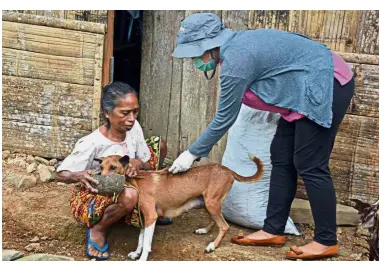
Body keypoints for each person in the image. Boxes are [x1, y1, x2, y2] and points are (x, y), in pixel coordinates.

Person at [169, 13, 355, 260]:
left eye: (194, 53)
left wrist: (191, 154)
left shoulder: (236, 61)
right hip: (302, 86)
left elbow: (225, 117)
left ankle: (326, 240)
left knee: (310, 163)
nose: (194, 60)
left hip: (327, 81)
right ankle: (273, 229)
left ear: (209, 45)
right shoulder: (233, 50)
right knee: (281, 155)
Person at [56, 81, 171, 260]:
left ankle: (150, 209)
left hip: (130, 181)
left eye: (135, 111)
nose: (132, 118)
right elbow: (60, 174)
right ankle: (98, 230)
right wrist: (78, 175)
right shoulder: (92, 143)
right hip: (96, 193)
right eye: (125, 113)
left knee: (159, 146)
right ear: (107, 113)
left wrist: (137, 163)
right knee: (130, 195)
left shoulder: (134, 128)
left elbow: (148, 163)